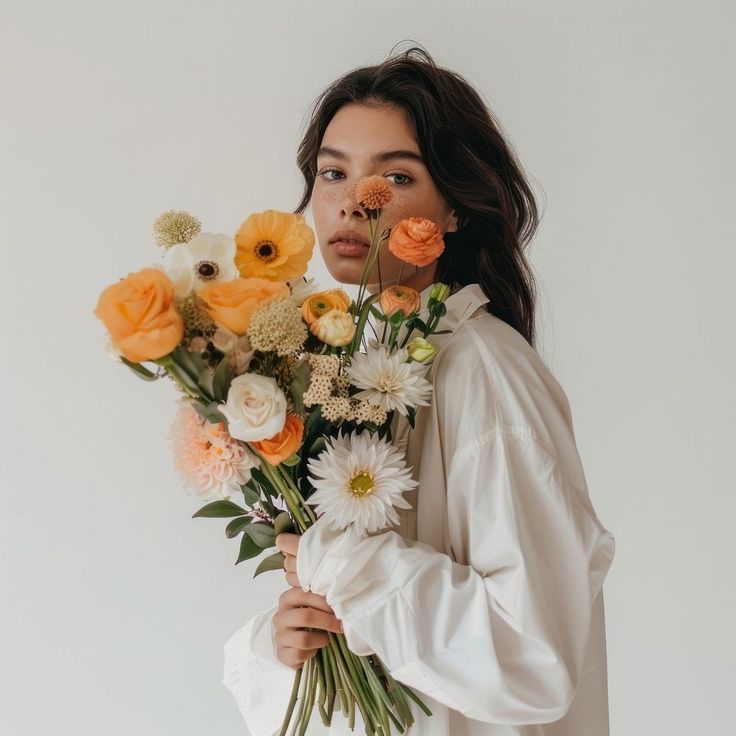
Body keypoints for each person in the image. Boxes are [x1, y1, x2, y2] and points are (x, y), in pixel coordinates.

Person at [222, 44, 616, 736]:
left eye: (395, 177)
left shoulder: (486, 373)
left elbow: (535, 656)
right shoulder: (349, 362)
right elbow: (375, 628)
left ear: (455, 209)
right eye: (332, 172)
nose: (353, 201)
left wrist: (347, 568)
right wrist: (292, 641)